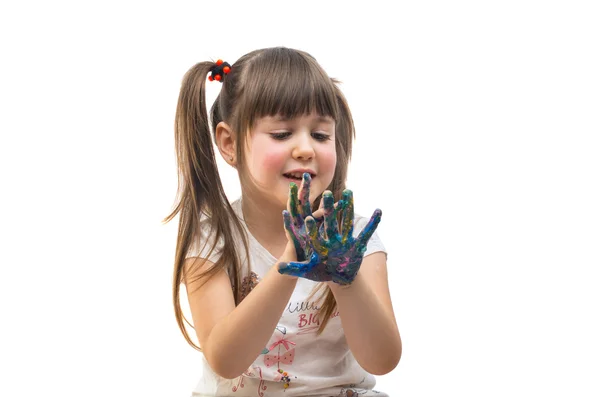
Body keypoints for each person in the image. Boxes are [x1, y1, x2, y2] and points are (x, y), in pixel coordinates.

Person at [165, 47, 401, 397]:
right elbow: (225, 361)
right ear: (229, 143)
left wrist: (345, 280)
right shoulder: (212, 239)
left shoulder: (353, 239)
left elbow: (382, 359)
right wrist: (289, 264)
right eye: (281, 134)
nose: (305, 148)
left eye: (320, 135)